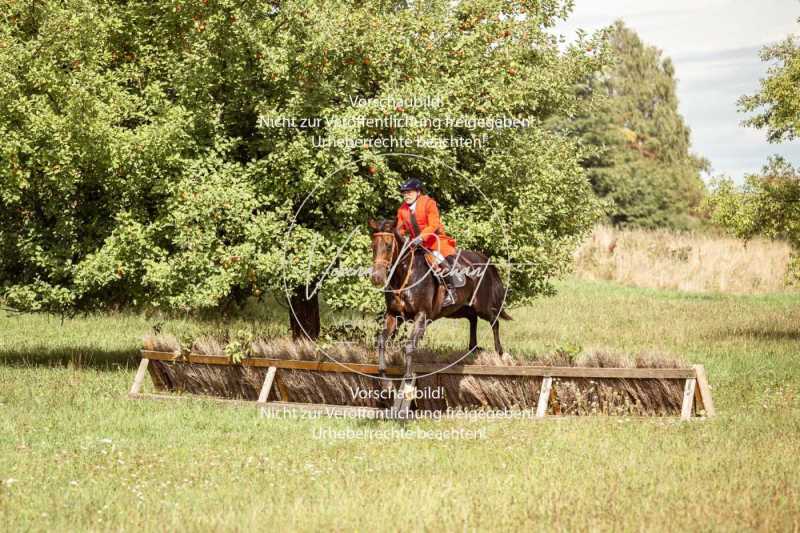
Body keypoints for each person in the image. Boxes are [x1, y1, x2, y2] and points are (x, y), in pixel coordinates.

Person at [395, 178, 464, 307]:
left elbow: (434, 224)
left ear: (418, 192)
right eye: (404, 193)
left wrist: (421, 237)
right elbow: (400, 229)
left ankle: (451, 291)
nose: (406, 196)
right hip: (416, 244)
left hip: (435, 241)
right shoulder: (402, 210)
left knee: (439, 259)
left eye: (409, 192)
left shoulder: (429, 203)